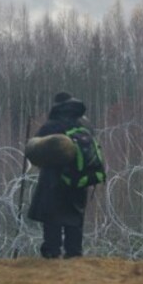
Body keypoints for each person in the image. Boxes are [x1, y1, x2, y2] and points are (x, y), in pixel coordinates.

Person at [27, 92, 91, 259]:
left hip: (53, 180)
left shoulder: (51, 126)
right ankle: (74, 253)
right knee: (74, 217)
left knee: (53, 217)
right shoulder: (85, 126)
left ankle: (52, 251)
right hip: (79, 180)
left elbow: (34, 150)